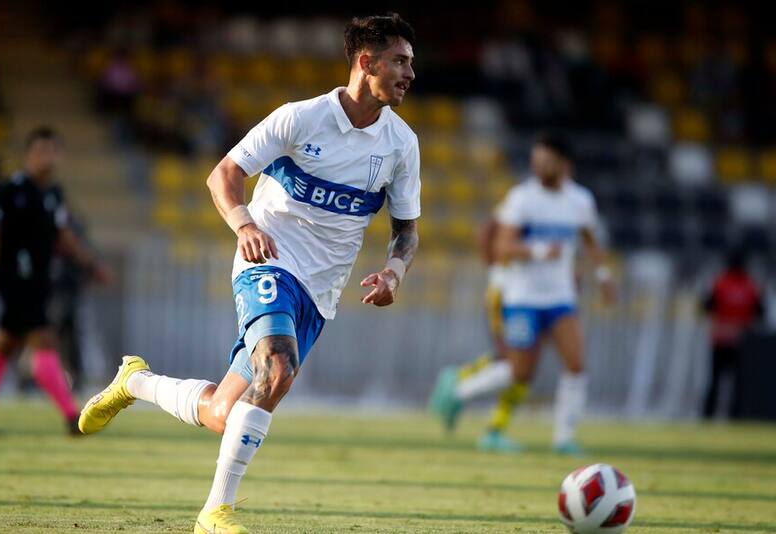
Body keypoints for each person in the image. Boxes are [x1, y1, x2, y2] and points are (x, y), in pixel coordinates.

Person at [79, 13, 420, 534]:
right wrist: (242, 225)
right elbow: (225, 174)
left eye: (411, 63)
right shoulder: (299, 118)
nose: (409, 73)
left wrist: (394, 271)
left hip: (320, 292)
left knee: (222, 412)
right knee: (278, 371)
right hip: (269, 260)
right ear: (365, 62)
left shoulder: (401, 145)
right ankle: (216, 511)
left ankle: (136, 382)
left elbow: (406, 230)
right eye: (399, 61)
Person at [430, 132, 614, 455]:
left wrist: (603, 275)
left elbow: (590, 241)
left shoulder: (580, 201)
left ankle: (564, 439)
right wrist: (540, 251)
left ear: (564, 165)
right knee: (519, 371)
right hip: (521, 298)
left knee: (576, 364)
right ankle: (460, 391)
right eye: (536, 159)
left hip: (560, 298)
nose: (540, 166)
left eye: (547, 160)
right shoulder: (522, 199)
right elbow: (502, 245)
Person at [0, 127, 111, 434]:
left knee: (3, 344)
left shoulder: (54, 195)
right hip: (16, 280)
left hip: (39, 281)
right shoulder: (10, 190)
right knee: (42, 340)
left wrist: (92, 264)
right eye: (40, 151)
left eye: (52, 151)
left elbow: (65, 238)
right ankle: (70, 417)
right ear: (28, 155)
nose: (46, 158)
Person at [429, 216, 529, 453]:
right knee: (515, 364)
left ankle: (461, 380)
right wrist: (494, 269)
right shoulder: (523, 203)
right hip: (508, 294)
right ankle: (462, 393)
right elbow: (487, 230)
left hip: (530, 297)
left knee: (518, 364)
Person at [702, 248, 764, 419]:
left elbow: (707, 306)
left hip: (720, 338)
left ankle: (709, 414)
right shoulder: (750, 286)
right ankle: (736, 415)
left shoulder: (720, 283)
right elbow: (760, 313)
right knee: (738, 383)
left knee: (715, 380)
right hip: (742, 341)